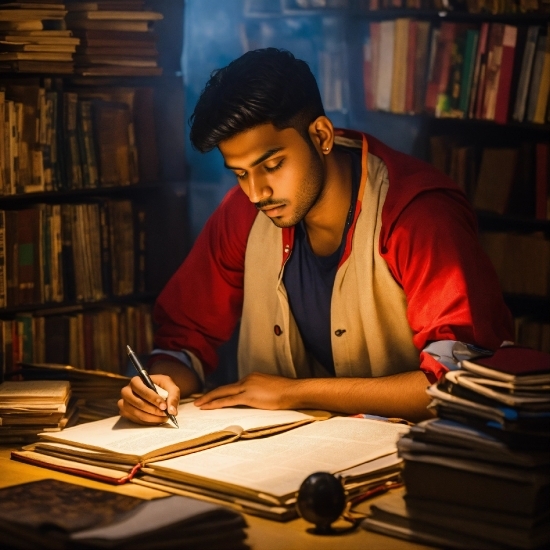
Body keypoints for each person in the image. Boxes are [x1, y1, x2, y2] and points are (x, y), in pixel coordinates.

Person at [118, 48, 513, 425]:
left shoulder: (417, 215)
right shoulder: (242, 213)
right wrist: (160, 386)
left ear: (322, 136)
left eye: (272, 165)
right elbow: (183, 338)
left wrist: (295, 393)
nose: (256, 193)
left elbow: (458, 382)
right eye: (240, 173)